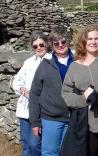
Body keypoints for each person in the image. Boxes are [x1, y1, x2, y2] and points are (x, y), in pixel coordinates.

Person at [61, 25, 98, 156]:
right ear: (83, 42)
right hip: (85, 123)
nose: (93, 42)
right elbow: (65, 93)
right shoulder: (74, 67)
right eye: (90, 39)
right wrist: (82, 99)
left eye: (96, 38)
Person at [29, 26, 74, 156]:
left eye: (63, 42)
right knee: (50, 153)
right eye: (56, 43)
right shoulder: (45, 64)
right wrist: (35, 122)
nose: (60, 45)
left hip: (74, 118)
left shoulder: (78, 61)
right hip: (51, 119)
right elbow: (34, 94)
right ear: (52, 45)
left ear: (68, 41)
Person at [12, 30, 51, 156]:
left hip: (41, 109)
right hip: (24, 109)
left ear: (46, 44)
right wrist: (25, 92)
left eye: (41, 44)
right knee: (26, 143)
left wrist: (35, 96)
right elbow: (16, 82)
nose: (39, 48)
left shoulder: (52, 60)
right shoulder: (29, 62)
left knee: (35, 144)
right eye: (35, 46)